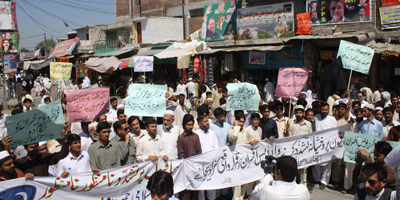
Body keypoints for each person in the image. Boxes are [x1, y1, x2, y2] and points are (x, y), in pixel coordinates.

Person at [313, 102, 337, 189]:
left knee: (327, 164)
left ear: (328, 110)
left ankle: (324, 181)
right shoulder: (316, 117)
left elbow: (334, 132)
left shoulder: (332, 119)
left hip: (327, 144)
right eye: (322, 109)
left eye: (326, 110)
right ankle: (317, 178)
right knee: (317, 162)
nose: (324, 111)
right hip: (317, 144)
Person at [177, 114, 202, 200]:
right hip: (185, 169)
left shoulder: (196, 137)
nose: (190, 127)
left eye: (191, 125)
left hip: (195, 168)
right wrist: (187, 164)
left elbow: (199, 151)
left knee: (195, 191)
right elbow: (181, 154)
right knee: (185, 192)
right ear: (184, 125)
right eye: (188, 125)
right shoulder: (181, 138)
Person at [195, 114, 218, 200]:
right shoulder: (196, 134)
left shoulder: (212, 133)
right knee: (201, 187)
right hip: (201, 165)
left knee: (212, 186)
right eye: (205, 122)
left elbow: (216, 147)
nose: (207, 123)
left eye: (207, 121)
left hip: (212, 163)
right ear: (199, 123)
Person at [229, 114, 249, 199]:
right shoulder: (231, 130)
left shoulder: (245, 131)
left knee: (244, 180)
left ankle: (242, 196)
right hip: (235, 160)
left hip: (244, 158)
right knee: (237, 181)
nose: (242, 123)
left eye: (243, 122)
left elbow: (246, 142)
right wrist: (236, 126)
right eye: (240, 121)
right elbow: (234, 136)